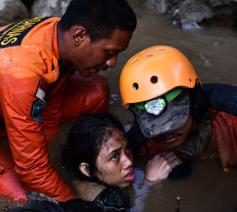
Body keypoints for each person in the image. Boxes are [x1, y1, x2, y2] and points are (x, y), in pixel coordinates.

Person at [0, 0, 137, 203]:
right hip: (14, 88)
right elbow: (31, 171)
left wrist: (52, 151)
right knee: (25, 199)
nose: (112, 63)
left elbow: (55, 91)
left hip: (14, 99)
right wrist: (75, 203)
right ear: (79, 36)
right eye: (109, 53)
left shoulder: (58, 32)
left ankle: (85, 162)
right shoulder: (21, 74)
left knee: (97, 91)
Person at [10, 113, 181, 211]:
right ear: (86, 170)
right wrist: (149, 183)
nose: (128, 161)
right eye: (114, 156)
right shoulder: (99, 202)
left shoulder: (92, 170)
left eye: (127, 148)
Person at [119, 45, 237, 173]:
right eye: (155, 122)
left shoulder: (230, 112)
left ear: (194, 102)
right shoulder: (139, 143)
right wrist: (149, 181)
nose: (166, 132)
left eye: (173, 118)